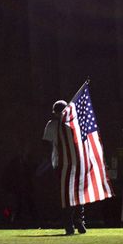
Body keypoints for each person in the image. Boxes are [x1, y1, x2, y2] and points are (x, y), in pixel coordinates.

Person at [42, 100, 87, 235]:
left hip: (61, 164)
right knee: (78, 193)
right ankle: (79, 219)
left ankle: (69, 224)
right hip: (76, 162)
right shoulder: (73, 124)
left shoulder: (52, 125)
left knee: (65, 194)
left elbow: (46, 145)